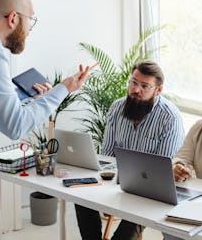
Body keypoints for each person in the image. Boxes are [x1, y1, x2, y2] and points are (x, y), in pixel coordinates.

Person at [0, 0, 90, 240]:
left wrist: (24, 95)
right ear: (13, 18)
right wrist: (63, 89)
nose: (29, 30)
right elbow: (15, 126)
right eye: (30, 21)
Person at [75, 60, 185, 240]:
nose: (136, 90)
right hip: (117, 183)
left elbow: (162, 173)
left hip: (150, 193)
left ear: (158, 90)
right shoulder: (117, 107)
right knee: (80, 197)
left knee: (127, 229)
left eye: (144, 86)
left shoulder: (169, 118)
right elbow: (107, 155)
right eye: (133, 82)